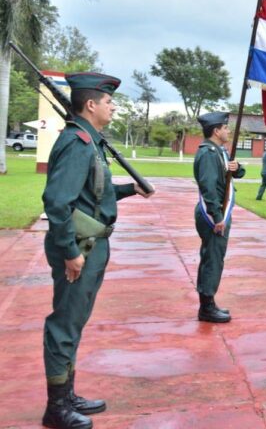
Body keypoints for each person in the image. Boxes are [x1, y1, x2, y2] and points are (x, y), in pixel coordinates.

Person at [42, 72, 153, 428]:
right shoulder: (77, 141)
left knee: (75, 322)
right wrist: (69, 252)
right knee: (65, 323)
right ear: (90, 104)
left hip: (91, 244)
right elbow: (58, 202)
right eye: (108, 101)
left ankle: (67, 394)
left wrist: (129, 190)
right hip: (80, 247)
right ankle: (56, 408)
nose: (113, 107)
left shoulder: (90, 141)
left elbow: (95, 191)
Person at [194, 112, 246, 324]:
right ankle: (206, 307)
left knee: (213, 257)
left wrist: (237, 168)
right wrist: (217, 217)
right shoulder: (208, 153)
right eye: (225, 128)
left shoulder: (219, 151)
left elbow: (233, 174)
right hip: (212, 214)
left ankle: (208, 302)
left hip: (217, 212)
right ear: (216, 131)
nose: (228, 131)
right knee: (212, 259)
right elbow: (208, 188)